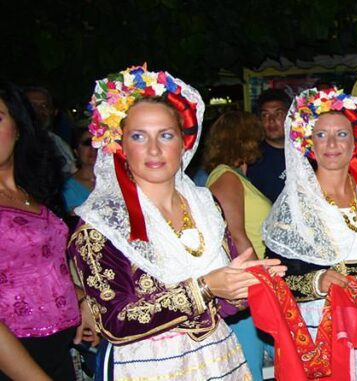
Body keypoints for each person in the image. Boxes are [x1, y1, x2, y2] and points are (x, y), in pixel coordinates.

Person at [68, 66, 284, 380]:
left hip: (218, 355)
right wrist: (207, 287)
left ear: (183, 142)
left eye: (165, 135)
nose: (154, 149)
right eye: (139, 136)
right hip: (150, 366)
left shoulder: (204, 205)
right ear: (120, 145)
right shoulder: (101, 225)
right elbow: (116, 319)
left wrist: (241, 288)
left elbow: (222, 304)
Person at [263, 87, 357, 380]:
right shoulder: (296, 202)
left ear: (356, 141)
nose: (332, 144)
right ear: (309, 142)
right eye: (321, 135)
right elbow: (274, 272)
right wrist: (318, 280)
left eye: (341, 134)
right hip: (320, 318)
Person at [0, 81, 86, 381]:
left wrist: (82, 300)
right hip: (15, 361)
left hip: (58, 352)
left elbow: (40, 270)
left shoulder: (31, 191)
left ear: (19, 126)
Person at [202, 110, 273, 377]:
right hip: (247, 289)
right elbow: (235, 234)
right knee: (249, 370)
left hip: (252, 285)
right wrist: (264, 286)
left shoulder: (235, 176)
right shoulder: (226, 177)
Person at [248, 88, 291, 201]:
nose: (271, 120)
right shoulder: (252, 159)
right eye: (265, 115)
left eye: (278, 114)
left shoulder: (305, 152)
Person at [23, 86, 76, 176]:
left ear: (53, 112)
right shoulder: (10, 142)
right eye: (32, 105)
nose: (39, 110)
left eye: (44, 106)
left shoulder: (59, 144)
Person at [64, 127, 98, 213]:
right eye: (87, 143)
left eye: (97, 143)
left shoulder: (115, 181)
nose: (93, 148)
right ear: (76, 151)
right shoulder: (66, 187)